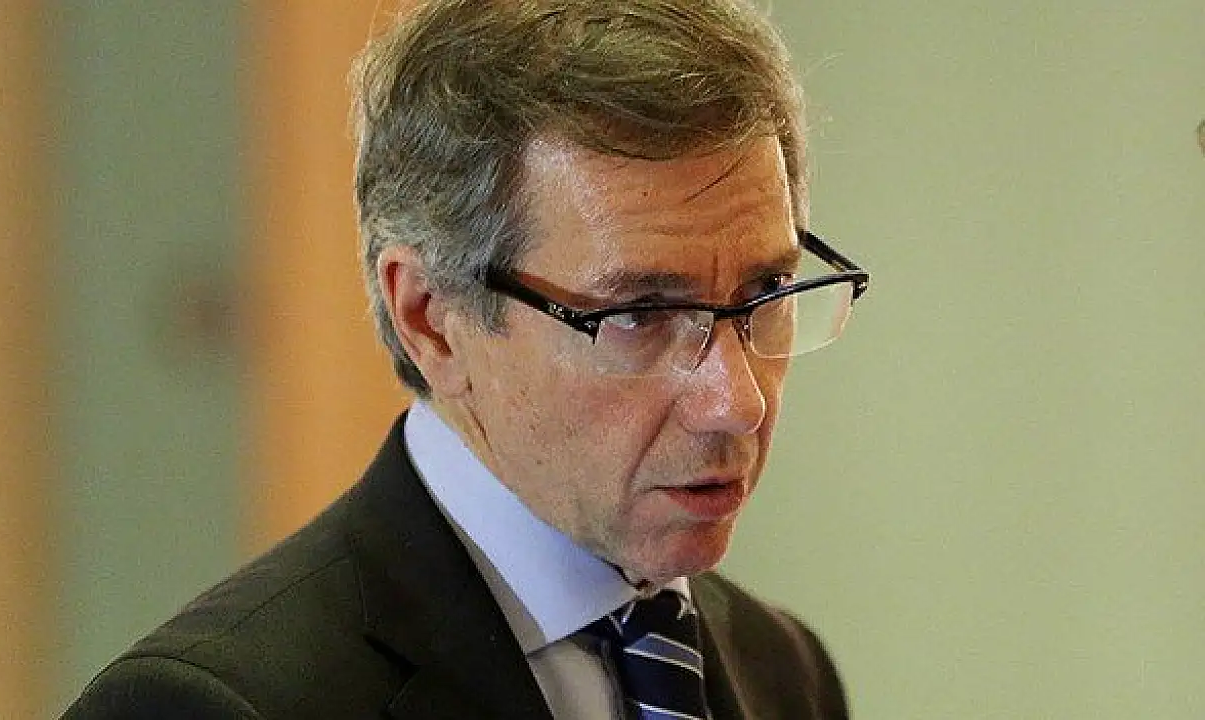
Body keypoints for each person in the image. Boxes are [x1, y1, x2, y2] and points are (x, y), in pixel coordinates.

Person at [63, 0, 870, 717]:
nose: (737, 402)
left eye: (768, 290)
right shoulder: (214, 703)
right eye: (640, 314)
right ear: (432, 319)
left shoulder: (783, 671)